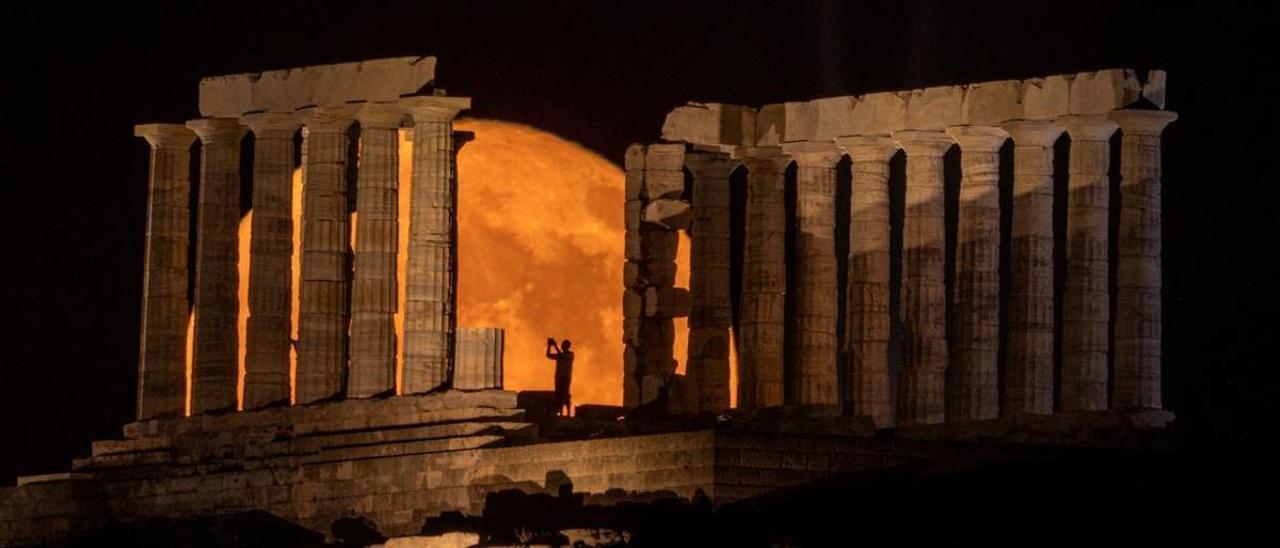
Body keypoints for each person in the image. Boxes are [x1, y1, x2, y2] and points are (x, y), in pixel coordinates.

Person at [545, 337, 575, 416]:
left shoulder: (570, 354)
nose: (563, 347)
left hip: (566, 377)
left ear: (568, 346)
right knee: (558, 395)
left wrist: (555, 346)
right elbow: (548, 355)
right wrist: (549, 346)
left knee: (565, 394)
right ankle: (560, 412)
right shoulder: (560, 355)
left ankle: (567, 413)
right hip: (558, 377)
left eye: (564, 345)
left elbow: (563, 357)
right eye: (562, 345)